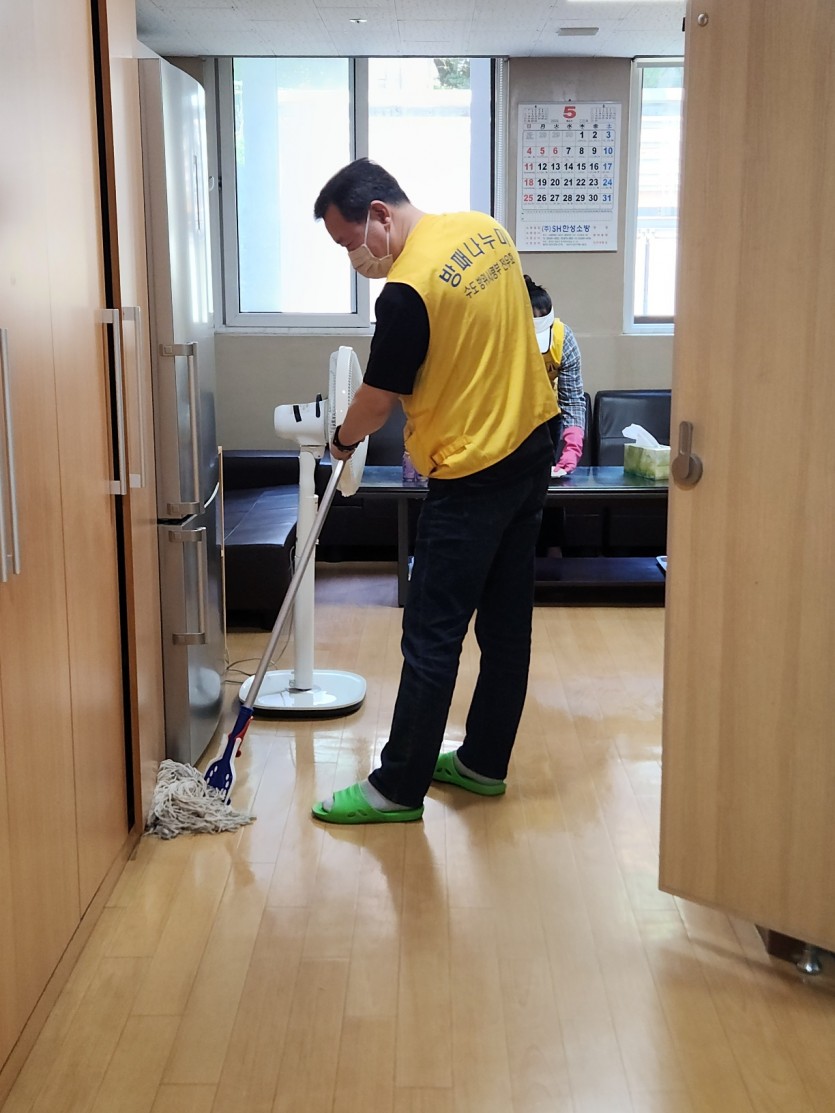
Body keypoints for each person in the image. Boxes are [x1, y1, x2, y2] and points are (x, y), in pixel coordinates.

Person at [310, 157, 557, 825]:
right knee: (505, 623)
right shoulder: (485, 230)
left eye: (350, 241)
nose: (355, 257)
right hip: (531, 446)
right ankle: (482, 763)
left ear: (379, 215)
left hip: (471, 474)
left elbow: (374, 403)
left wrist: (339, 442)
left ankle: (397, 788)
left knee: (431, 632)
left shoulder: (406, 291)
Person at [524, 274, 586, 477]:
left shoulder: (563, 339)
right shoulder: (497, 339)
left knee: (543, 480)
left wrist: (573, 446)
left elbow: (572, 399)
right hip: (506, 419)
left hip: (545, 417)